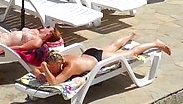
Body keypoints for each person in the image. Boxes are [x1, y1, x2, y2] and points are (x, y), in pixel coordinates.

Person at [32, 32, 171, 85]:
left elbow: (55, 82)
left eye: (51, 67)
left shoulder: (70, 67)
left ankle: (155, 43)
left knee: (131, 53)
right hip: (89, 53)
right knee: (113, 46)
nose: (50, 69)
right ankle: (130, 36)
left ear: (58, 63)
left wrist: (44, 69)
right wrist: (39, 74)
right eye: (49, 67)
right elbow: (35, 70)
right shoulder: (56, 60)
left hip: (98, 59)